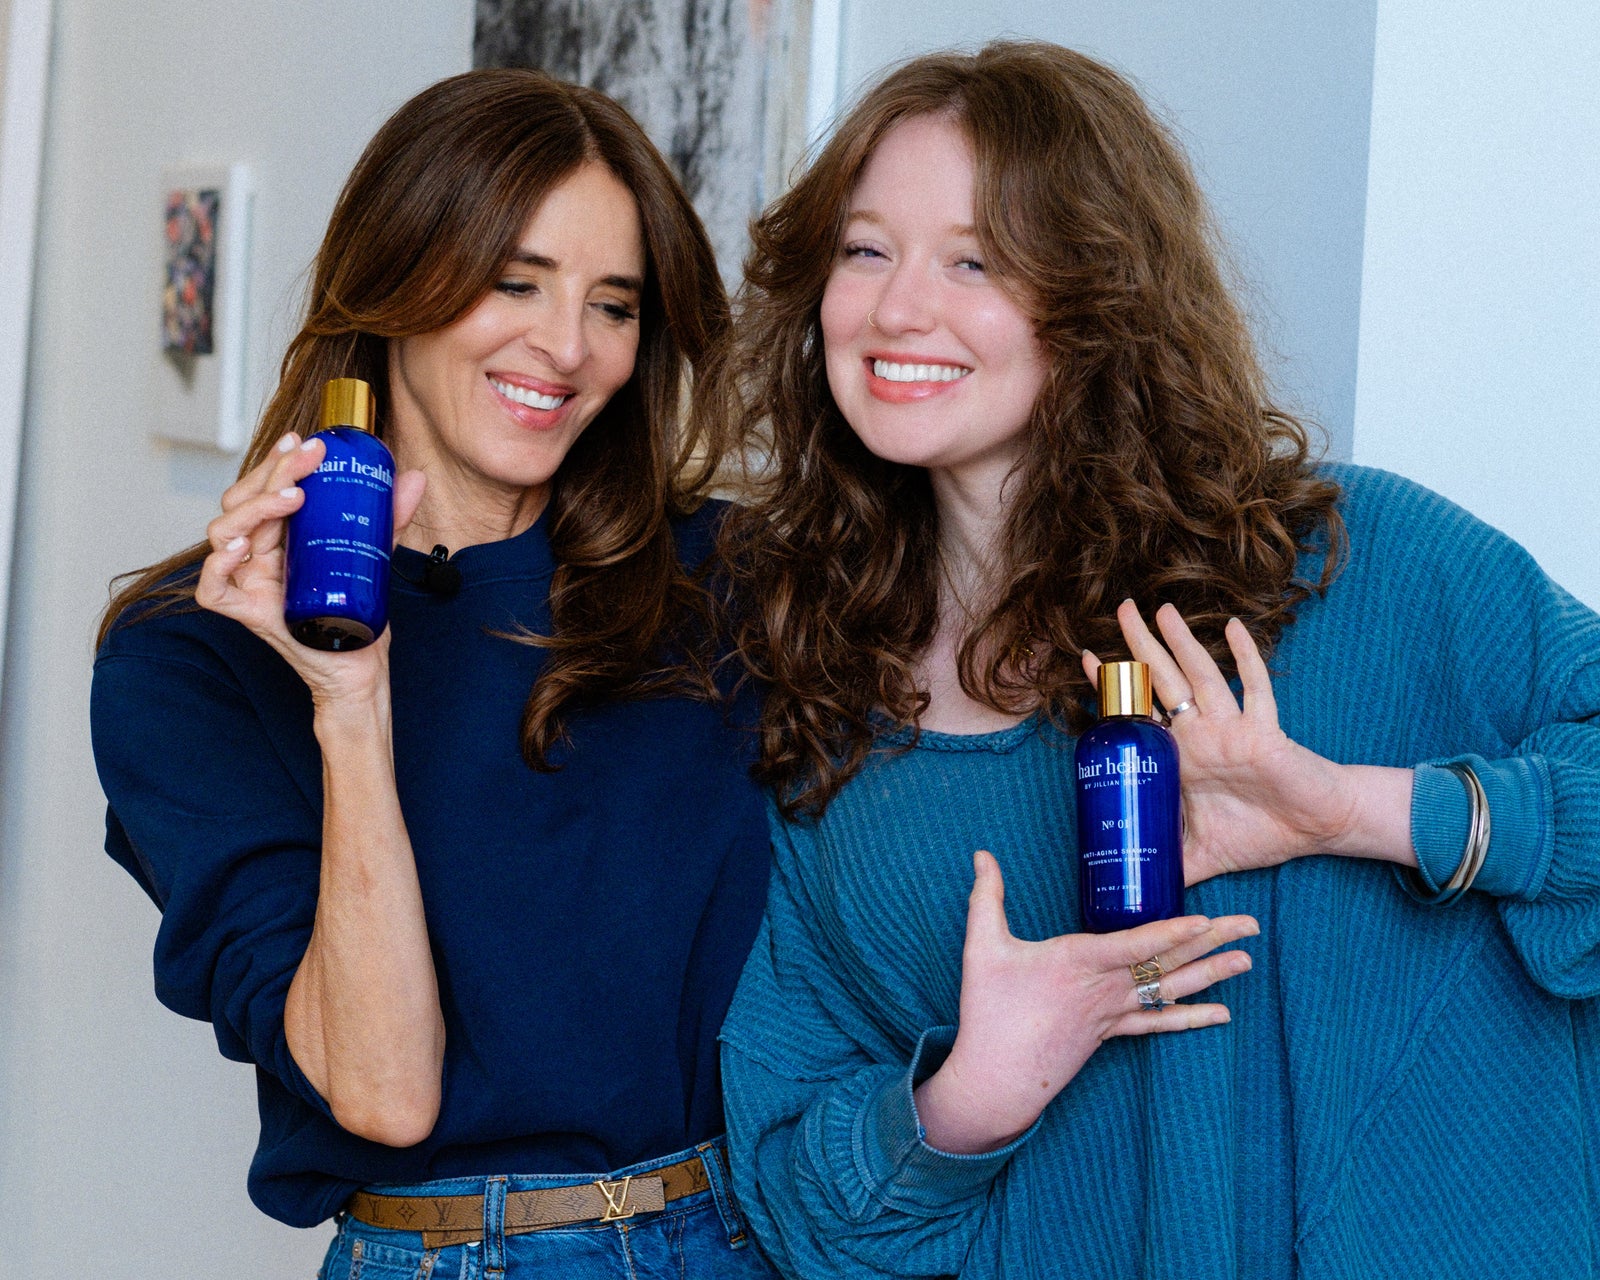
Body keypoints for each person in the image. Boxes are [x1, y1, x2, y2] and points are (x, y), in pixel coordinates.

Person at [710, 41, 1600, 1280]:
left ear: (1095, 296)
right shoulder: (828, 709)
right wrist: (968, 1095)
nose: (897, 308)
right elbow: (802, 1210)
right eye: (865, 250)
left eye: (975, 260)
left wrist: (1359, 809)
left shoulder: (1354, 563)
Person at [91, 69, 776, 1278]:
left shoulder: (724, 580)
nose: (565, 347)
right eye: (513, 281)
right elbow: (384, 1091)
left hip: (746, 1232)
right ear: (395, 281)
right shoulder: (189, 653)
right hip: (449, 1256)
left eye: (612, 303)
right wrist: (348, 699)